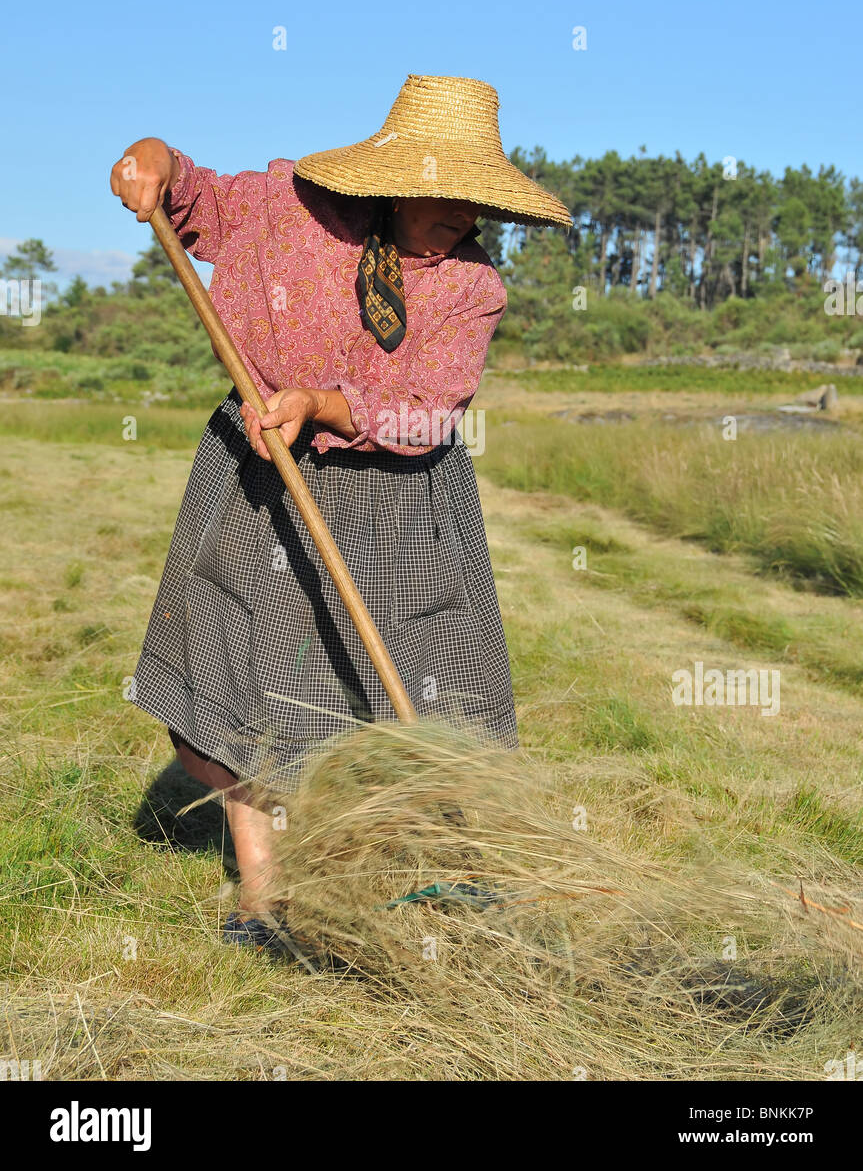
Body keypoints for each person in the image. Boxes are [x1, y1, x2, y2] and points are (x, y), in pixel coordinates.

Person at [109, 73, 571, 946]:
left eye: (479, 203)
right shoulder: (291, 206)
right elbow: (192, 192)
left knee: (421, 685)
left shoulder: (471, 287)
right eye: (450, 197)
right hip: (258, 469)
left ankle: (440, 873)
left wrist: (323, 404)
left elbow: (428, 408)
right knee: (237, 665)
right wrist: (151, 160)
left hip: (398, 498)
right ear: (397, 177)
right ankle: (265, 901)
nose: (464, 219)